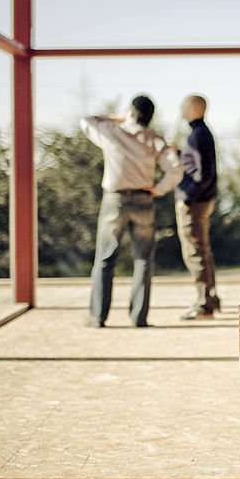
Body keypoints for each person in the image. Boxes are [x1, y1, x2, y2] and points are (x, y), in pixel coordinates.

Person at [81, 95, 182, 328]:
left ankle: (98, 316)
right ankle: (139, 317)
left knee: (105, 259)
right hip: (144, 200)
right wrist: (157, 190)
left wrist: (117, 118)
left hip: (114, 201)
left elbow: (86, 121)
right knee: (144, 260)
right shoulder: (155, 140)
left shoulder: (112, 132)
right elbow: (176, 171)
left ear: (131, 112)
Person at [175, 94, 220, 320]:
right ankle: (210, 300)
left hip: (195, 203)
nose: (181, 110)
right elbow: (197, 166)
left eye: (184, 105)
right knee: (203, 250)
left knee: (195, 252)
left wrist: (187, 198)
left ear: (194, 108)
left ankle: (204, 305)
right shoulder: (200, 134)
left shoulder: (198, 135)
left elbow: (203, 174)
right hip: (203, 200)